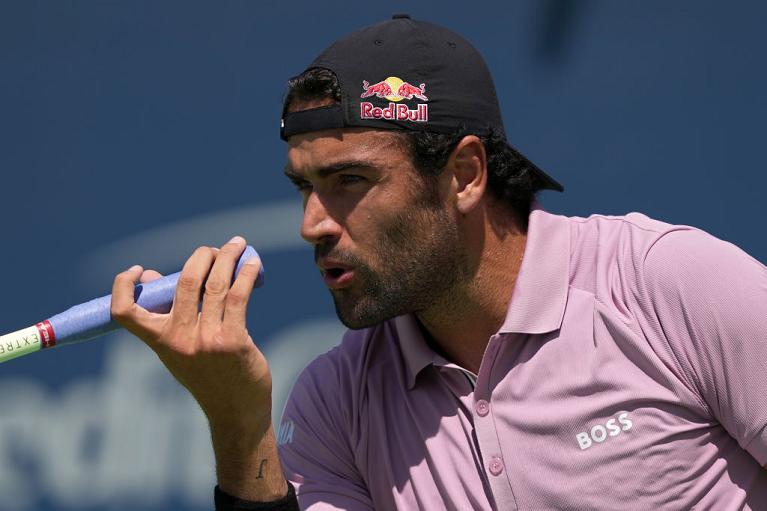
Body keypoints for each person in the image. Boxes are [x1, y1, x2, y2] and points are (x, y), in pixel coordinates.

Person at [111, 15, 767, 511]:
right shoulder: (334, 403)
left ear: (463, 174)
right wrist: (238, 422)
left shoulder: (671, 282)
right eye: (304, 187)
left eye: (349, 182)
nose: (311, 223)